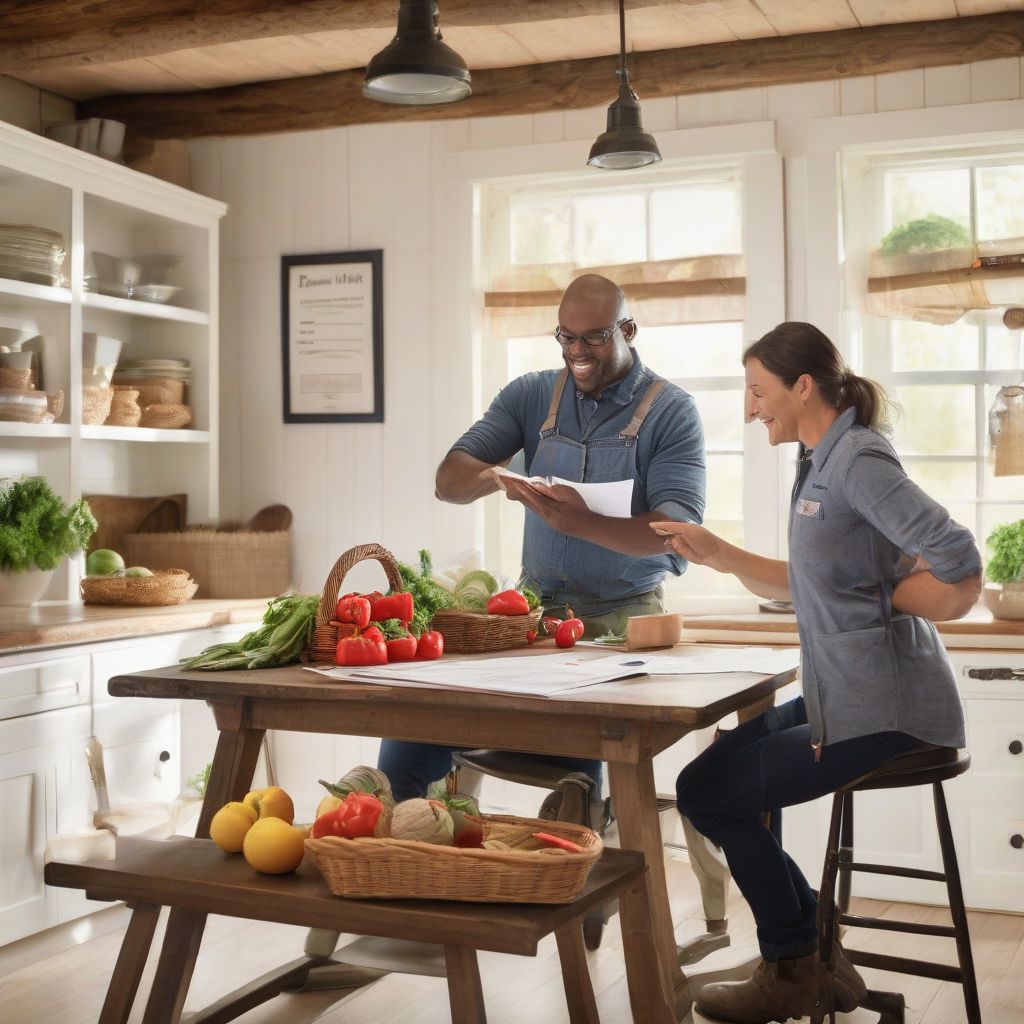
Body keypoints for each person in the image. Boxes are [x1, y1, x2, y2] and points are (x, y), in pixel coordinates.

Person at [651, 321, 981, 1024]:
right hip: (843, 696)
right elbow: (818, 582)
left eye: (758, 390)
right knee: (708, 776)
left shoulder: (857, 460)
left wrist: (886, 595)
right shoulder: (820, 460)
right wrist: (720, 554)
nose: (749, 408)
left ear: (804, 387)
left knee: (708, 794)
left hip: (887, 712)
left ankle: (795, 964)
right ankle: (811, 957)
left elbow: (958, 561)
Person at [377, 273, 706, 801]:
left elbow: (676, 533)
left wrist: (578, 523)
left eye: (594, 338)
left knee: (588, 750)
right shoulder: (530, 395)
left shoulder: (671, 412)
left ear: (628, 330)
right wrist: (498, 476)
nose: (578, 352)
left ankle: (579, 829)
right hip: (528, 617)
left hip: (624, 624)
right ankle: (406, 852)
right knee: (413, 732)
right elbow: (449, 481)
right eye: (565, 337)